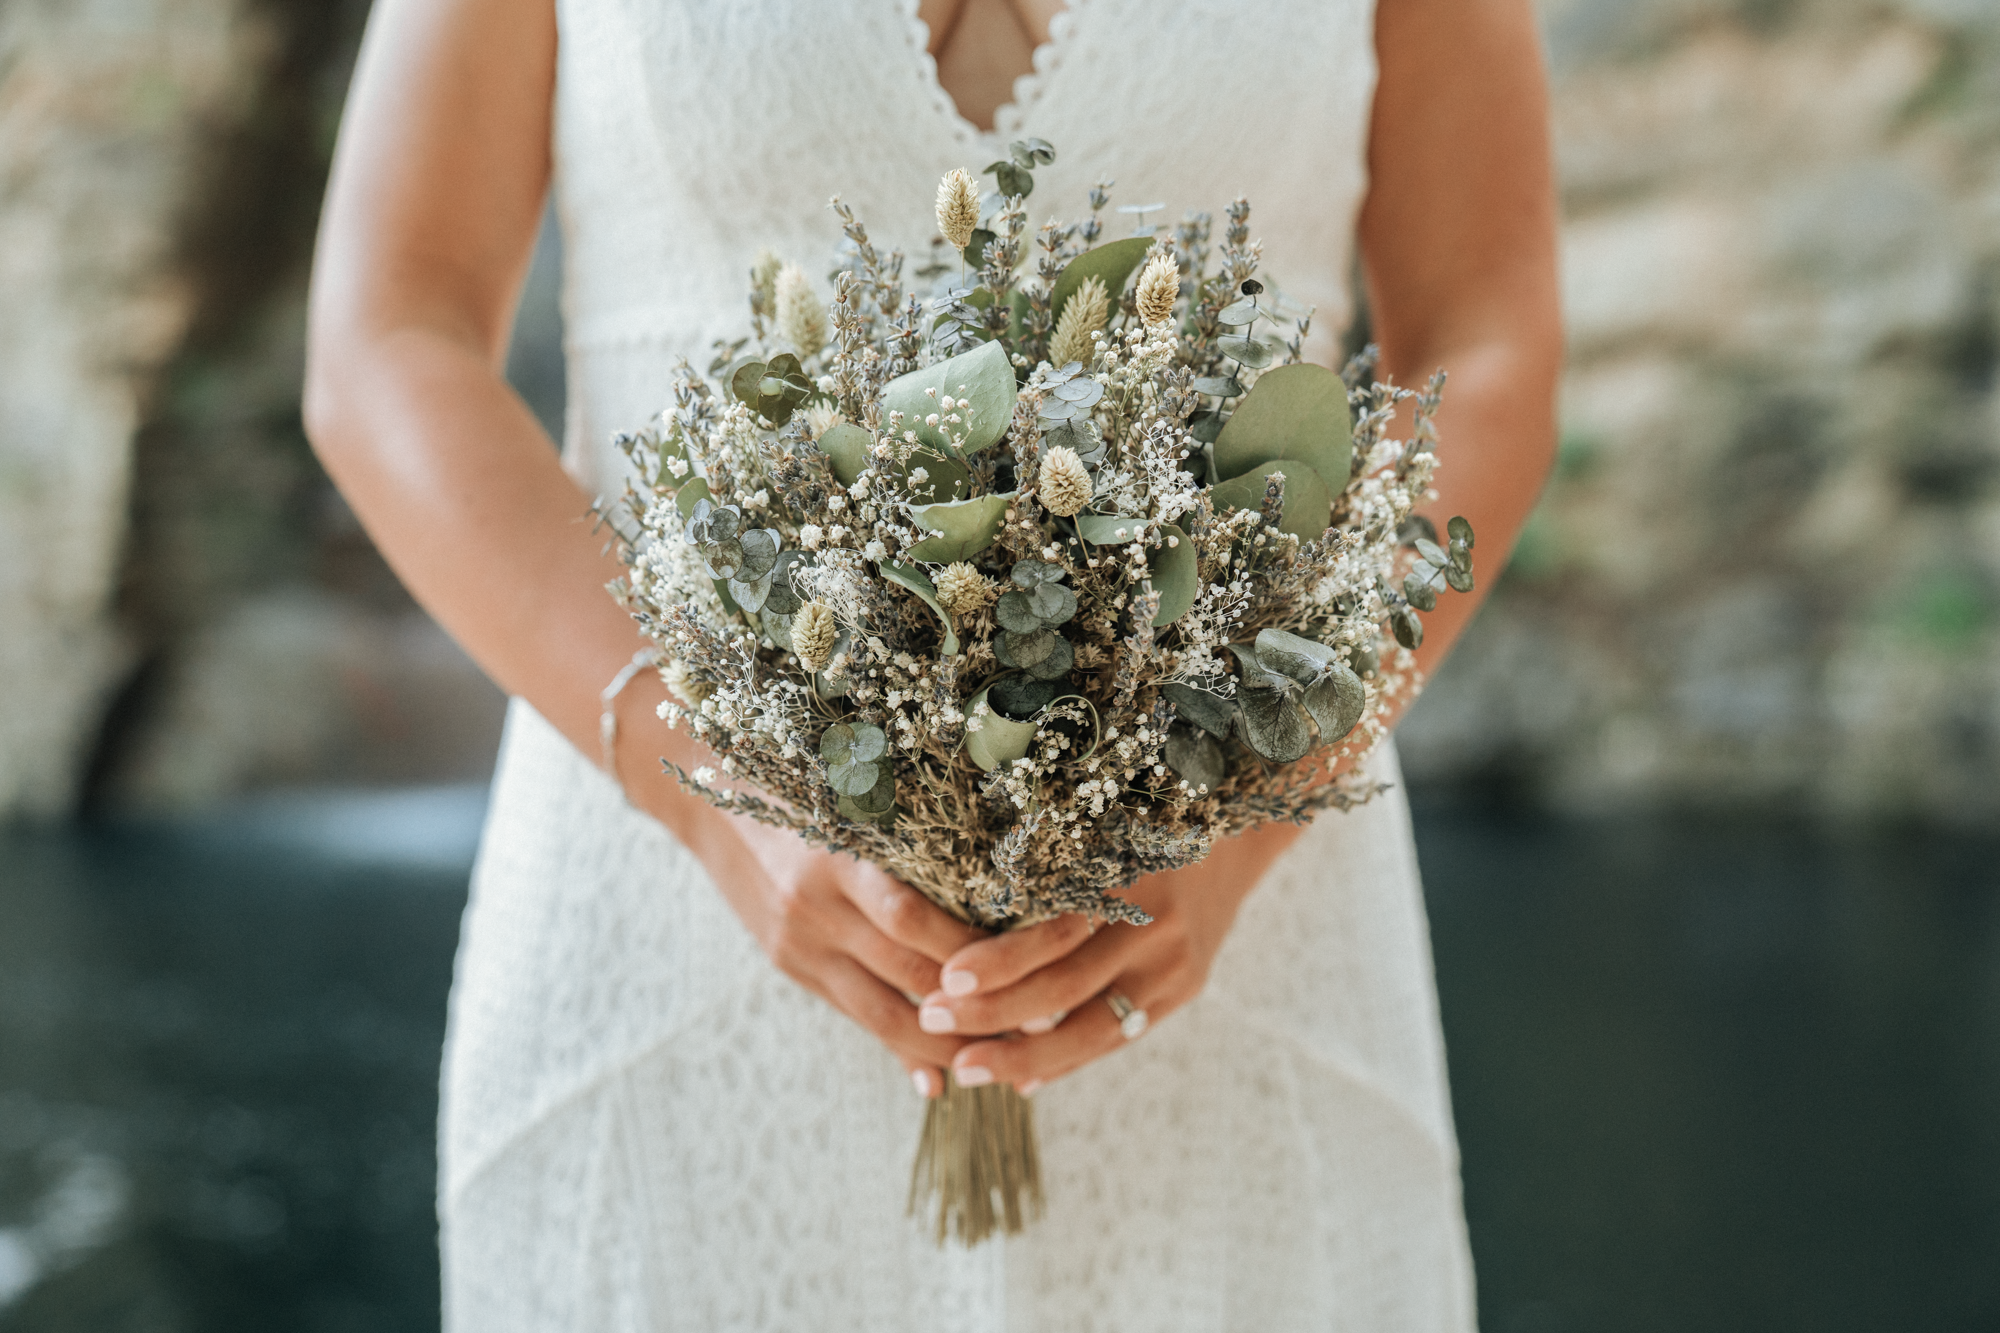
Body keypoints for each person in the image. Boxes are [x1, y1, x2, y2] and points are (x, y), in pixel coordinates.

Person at [304, 0, 1560, 1326]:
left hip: (1234, 936)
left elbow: (1486, 340)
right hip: (665, 910)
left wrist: (1244, 812)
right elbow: (391, 335)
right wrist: (706, 793)